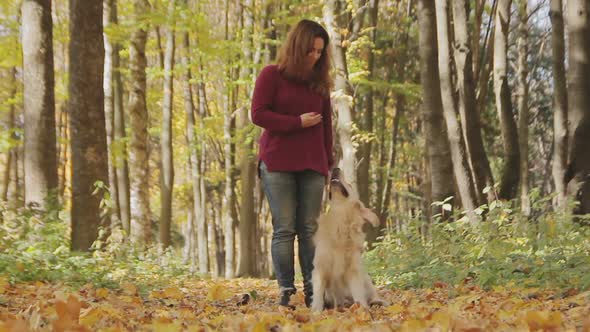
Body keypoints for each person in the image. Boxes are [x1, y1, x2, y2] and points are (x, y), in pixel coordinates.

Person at [250, 19, 334, 308]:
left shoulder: (320, 84)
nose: (316, 56)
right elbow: (258, 114)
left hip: (312, 164)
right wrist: (297, 123)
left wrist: (329, 165)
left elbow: (327, 129)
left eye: (321, 51)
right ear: (297, 47)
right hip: (277, 162)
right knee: (284, 228)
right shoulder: (271, 75)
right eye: (311, 50)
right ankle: (286, 290)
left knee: (309, 228)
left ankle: (314, 290)